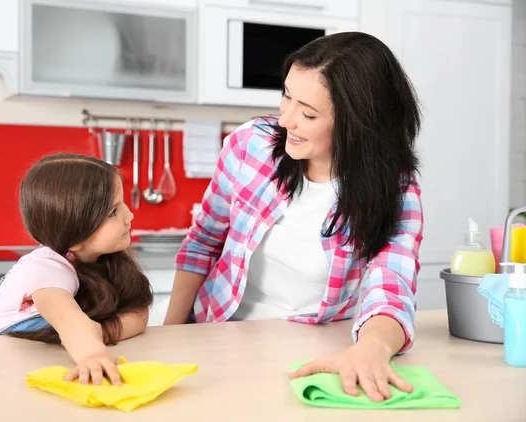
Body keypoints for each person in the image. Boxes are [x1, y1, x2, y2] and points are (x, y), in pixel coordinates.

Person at [164, 31, 424, 402]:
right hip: (217, 339)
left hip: (311, 350)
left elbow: (393, 283)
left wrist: (372, 349)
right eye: (286, 96)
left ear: (358, 123)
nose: (286, 119)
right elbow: (202, 243)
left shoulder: (395, 189)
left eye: (308, 113)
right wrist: (170, 338)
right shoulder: (249, 145)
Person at [0, 153, 153, 386]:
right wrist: (93, 354)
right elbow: (67, 318)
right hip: (4, 363)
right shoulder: (45, 268)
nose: (130, 216)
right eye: (113, 212)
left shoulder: (104, 259)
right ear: (75, 234)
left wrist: (98, 332)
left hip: (55, 352)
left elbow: (138, 314)